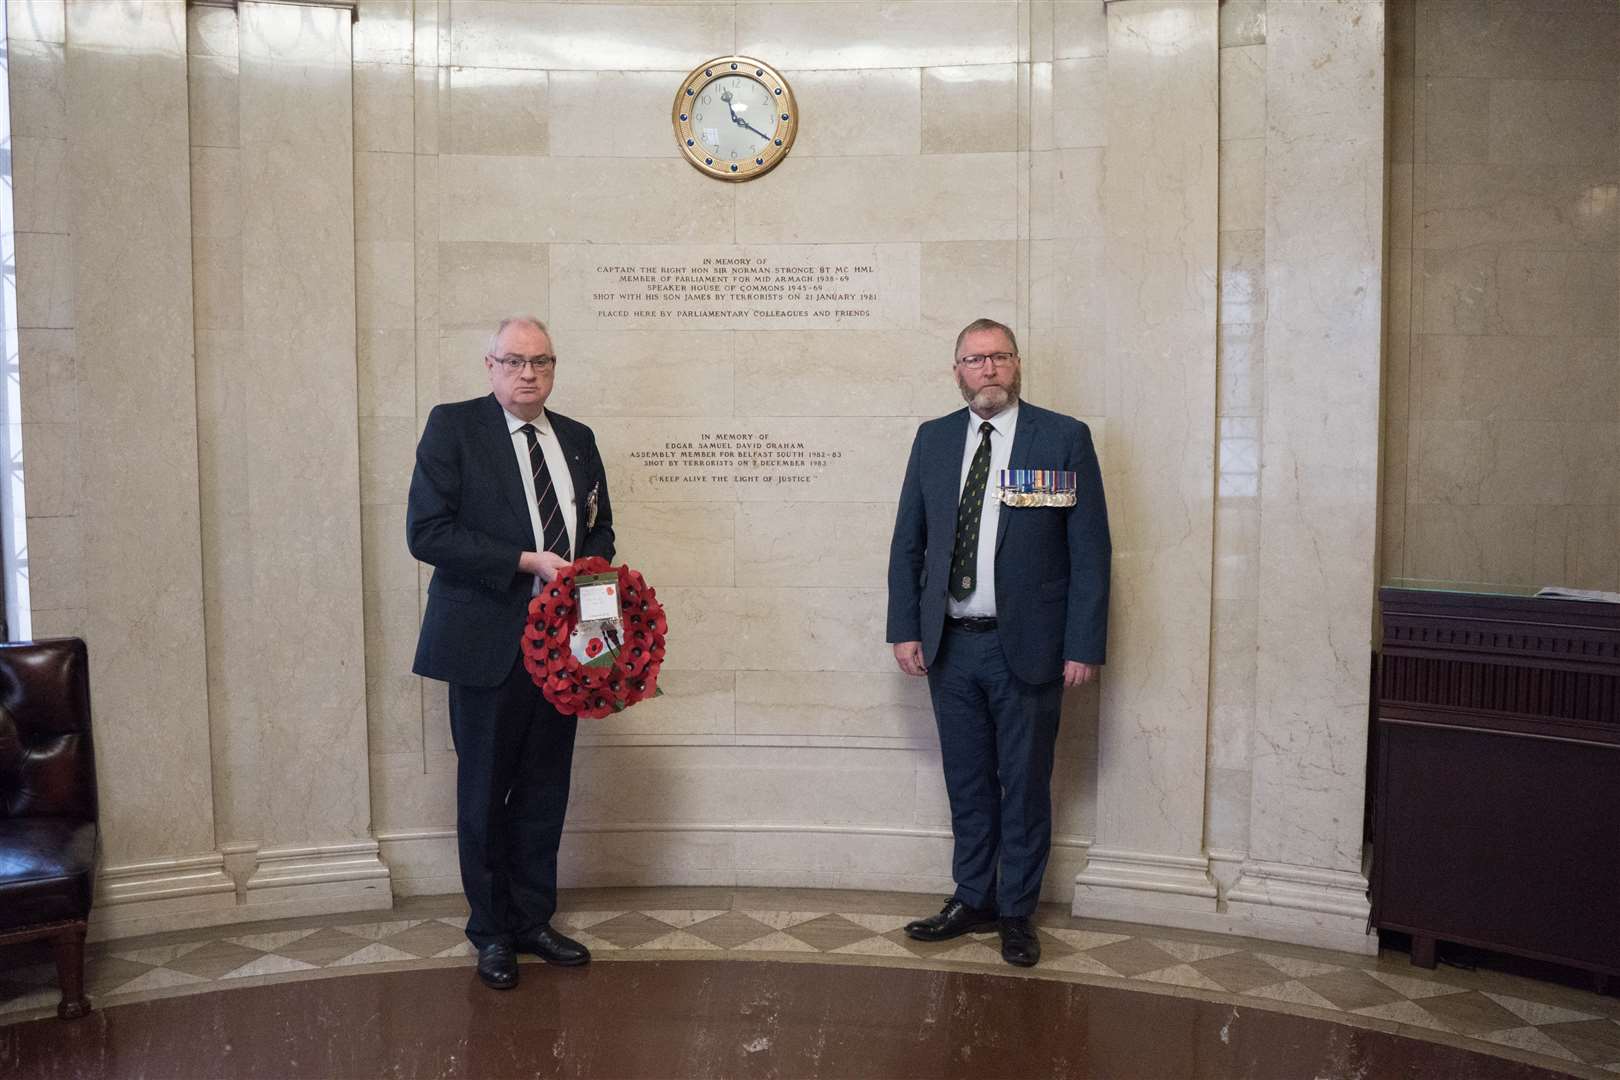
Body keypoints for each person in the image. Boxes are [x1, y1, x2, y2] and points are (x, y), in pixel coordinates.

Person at [886, 317, 1110, 968]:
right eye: (974, 359)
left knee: (1025, 781)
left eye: (999, 356)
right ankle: (972, 896)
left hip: (1032, 648)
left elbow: (1090, 553)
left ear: (1017, 365)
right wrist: (905, 627)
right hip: (951, 647)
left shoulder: (1062, 438)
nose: (988, 369)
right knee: (968, 781)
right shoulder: (932, 441)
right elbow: (909, 543)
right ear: (955, 371)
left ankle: (1016, 911)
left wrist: (1082, 642)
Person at [407, 315, 614, 989]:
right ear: (490, 366)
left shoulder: (578, 438)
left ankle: (532, 919)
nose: (530, 374)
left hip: (565, 650)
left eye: (543, 362)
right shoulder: (454, 427)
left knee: (545, 790)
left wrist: (599, 616)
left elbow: (600, 529)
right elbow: (427, 533)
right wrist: (524, 560)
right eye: (516, 361)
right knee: (484, 792)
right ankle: (490, 931)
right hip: (486, 644)